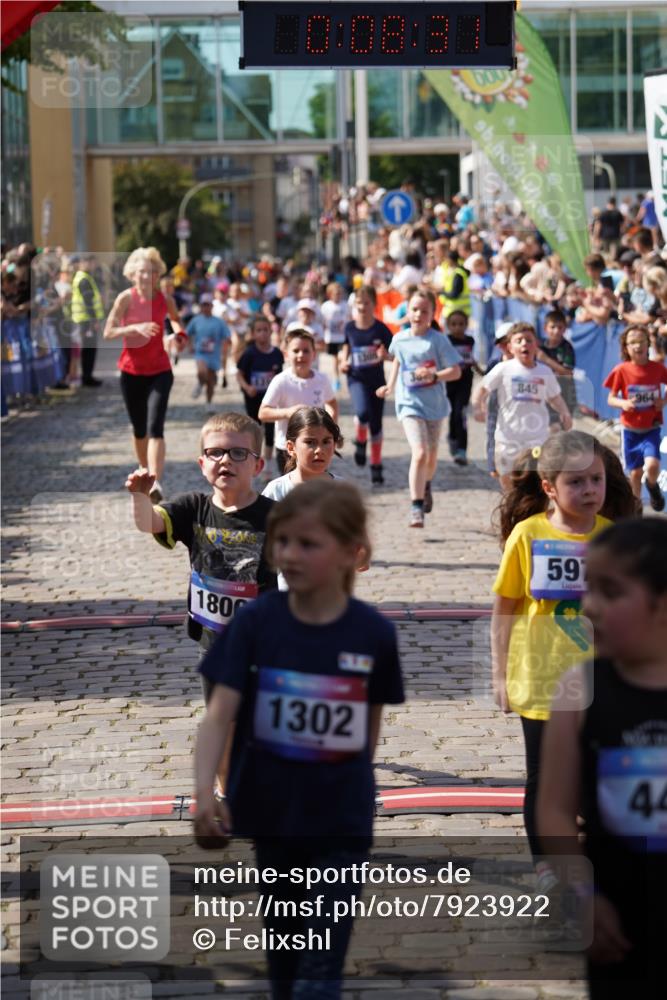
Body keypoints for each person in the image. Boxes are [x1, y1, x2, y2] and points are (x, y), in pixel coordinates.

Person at [194, 479, 404, 999]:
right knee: (285, 956)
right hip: (271, 814)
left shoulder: (373, 634)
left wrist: (351, 786)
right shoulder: (255, 624)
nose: (289, 554)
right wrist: (204, 794)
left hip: (341, 818)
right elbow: (218, 717)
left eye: (308, 543)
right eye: (283, 540)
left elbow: (368, 730)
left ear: (352, 552)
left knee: (322, 962)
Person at [491, 431, 638, 892]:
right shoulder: (528, 535)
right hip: (540, 677)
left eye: (596, 479)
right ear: (549, 488)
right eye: (576, 482)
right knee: (543, 777)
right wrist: (499, 674)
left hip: (599, 683)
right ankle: (547, 870)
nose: (590, 490)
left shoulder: (614, 538)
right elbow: (505, 608)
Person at [537, 518, 667, 999]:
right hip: (615, 915)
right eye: (588, 588)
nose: (589, 606)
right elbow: (554, 809)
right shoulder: (579, 688)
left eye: (611, 592)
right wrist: (582, 895)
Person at [126, 411, 277, 790]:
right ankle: (227, 793)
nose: (226, 460)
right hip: (214, 643)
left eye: (238, 454)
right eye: (215, 453)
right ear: (201, 463)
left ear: (258, 465)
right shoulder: (193, 508)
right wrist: (140, 497)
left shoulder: (275, 516)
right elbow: (149, 523)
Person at [103, 247, 186, 502]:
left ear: (157, 274)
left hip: (160, 370)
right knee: (140, 430)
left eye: (151, 272)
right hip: (131, 371)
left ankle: (155, 481)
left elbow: (175, 320)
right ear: (132, 274)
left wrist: (179, 335)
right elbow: (108, 332)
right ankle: (145, 471)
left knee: (155, 427)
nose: (146, 276)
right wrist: (134, 328)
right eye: (141, 272)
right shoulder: (125, 299)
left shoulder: (165, 299)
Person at [377, 288, 462, 527]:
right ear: (408, 311)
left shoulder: (438, 340)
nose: (418, 315)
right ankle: (416, 507)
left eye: (424, 311)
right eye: (414, 309)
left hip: (434, 405)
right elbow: (397, 359)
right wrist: (390, 385)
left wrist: (434, 376)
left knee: (431, 457)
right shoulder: (399, 339)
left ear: (432, 314)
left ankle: (426, 484)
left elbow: (456, 371)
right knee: (420, 452)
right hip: (409, 404)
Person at [473, 322, 573, 491]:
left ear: (536, 345)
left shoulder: (544, 372)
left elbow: (555, 397)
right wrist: (477, 406)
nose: (524, 344)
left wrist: (565, 413)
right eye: (518, 341)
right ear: (510, 347)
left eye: (528, 340)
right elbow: (482, 388)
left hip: (537, 437)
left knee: (536, 478)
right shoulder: (503, 369)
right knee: (507, 476)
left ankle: (530, 503)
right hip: (508, 436)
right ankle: (511, 498)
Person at [604, 324, 667, 511]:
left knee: (653, 465)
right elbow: (610, 398)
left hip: (651, 428)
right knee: (635, 473)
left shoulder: (658, 368)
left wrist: (663, 401)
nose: (637, 346)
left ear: (648, 343)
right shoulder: (621, 370)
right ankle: (636, 507)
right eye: (632, 342)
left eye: (641, 341)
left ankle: (652, 485)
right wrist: (623, 403)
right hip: (630, 430)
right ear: (625, 347)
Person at [259, 328, 338, 475]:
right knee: (292, 487)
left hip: (317, 446)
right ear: (286, 354)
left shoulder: (322, 380)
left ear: (314, 354)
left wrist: (332, 430)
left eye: (306, 351)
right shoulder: (281, 381)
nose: (301, 355)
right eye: (296, 351)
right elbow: (263, 413)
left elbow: (332, 403)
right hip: (288, 448)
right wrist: (287, 412)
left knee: (316, 485)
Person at [339, 285, 392, 486]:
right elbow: (346, 347)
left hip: (377, 381)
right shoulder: (350, 328)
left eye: (366, 303)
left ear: (374, 304)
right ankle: (361, 440)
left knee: (376, 425)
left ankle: (376, 465)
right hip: (356, 378)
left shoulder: (381, 329)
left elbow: (395, 355)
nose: (362, 307)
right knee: (362, 413)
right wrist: (343, 361)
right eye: (359, 303)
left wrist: (385, 356)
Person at [236, 314, 284, 477]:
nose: (263, 333)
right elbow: (239, 374)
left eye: (265, 330)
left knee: (270, 431)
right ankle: (254, 462)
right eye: (259, 330)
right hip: (253, 398)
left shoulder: (277, 353)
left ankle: (268, 466)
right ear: (253, 333)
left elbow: (279, 377)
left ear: (271, 332)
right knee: (255, 430)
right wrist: (247, 387)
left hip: (271, 400)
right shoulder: (249, 353)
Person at [443, 309, 479, 466]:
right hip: (450, 382)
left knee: (461, 413)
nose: (457, 327)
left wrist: (481, 371)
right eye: (454, 324)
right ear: (448, 326)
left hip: (465, 382)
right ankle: (452, 437)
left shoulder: (470, 341)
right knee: (452, 414)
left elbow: (471, 359)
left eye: (461, 324)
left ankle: (462, 449)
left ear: (466, 325)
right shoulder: (446, 341)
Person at [187, 293, 231, 411]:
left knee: (211, 381)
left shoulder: (219, 322)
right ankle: (200, 383)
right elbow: (187, 333)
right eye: (203, 305)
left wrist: (226, 344)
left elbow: (227, 336)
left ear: (212, 306)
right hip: (200, 353)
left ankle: (209, 402)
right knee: (202, 371)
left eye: (208, 305)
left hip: (214, 354)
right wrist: (190, 346)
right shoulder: (196, 320)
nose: (206, 307)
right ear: (201, 306)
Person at [537, 309, 578, 424]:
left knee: (559, 427)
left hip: (563, 394)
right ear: (545, 328)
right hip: (543, 394)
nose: (556, 331)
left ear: (565, 329)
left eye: (560, 328)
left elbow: (568, 373)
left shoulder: (567, 348)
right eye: (552, 327)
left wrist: (546, 360)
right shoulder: (540, 347)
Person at [70, 254, 105, 387]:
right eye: (91, 263)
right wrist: (94, 320)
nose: (93, 266)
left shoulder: (84, 277)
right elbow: (88, 301)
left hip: (84, 320)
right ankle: (87, 377)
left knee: (88, 349)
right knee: (89, 350)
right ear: (84, 263)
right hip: (85, 320)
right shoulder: (84, 279)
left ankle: (87, 376)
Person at [485, 322, 514, 478]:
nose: (507, 346)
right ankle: (493, 464)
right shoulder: (495, 363)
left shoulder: (528, 364)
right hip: (496, 406)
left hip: (517, 410)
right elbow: (485, 386)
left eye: (510, 341)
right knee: (493, 432)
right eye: (503, 343)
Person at [320, 281, 349, 391]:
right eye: (336, 294)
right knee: (335, 358)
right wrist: (323, 335)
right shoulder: (326, 306)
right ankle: (336, 378)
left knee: (342, 356)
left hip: (343, 336)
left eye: (339, 293)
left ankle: (341, 373)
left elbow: (349, 318)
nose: (338, 296)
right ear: (330, 294)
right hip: (331, 337)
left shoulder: (345, 305)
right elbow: (323, 322)